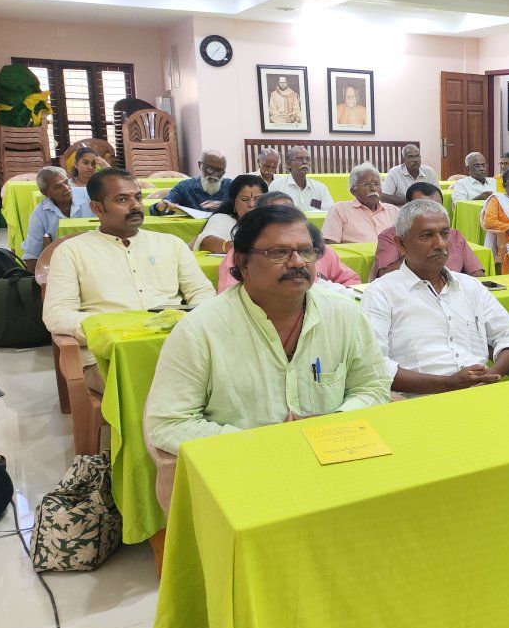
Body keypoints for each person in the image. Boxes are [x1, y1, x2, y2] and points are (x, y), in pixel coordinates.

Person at [145, 205, 391, 454]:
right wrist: (262, 442)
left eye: (306, 251)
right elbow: (168, 424)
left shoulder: (344, 313)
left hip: (335, 453)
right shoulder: (199, 329)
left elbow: (373, 387)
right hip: (243, 463)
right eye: (278, 253)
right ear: (243, 263)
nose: (297, 262)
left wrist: (332, 423)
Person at [41, 168, 215, 389]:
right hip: (109, 356)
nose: (135, 206)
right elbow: (57, 315)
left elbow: (202, 292)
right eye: (122, 199)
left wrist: (184, 322)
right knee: (156, 386)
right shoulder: (71, 251)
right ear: (97, 208)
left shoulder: (171, 244)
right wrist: (115, 329)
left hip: (178, 344)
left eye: (138, 198)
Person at [360, 199, 509, 395]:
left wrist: (488, 377)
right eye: (427, 235)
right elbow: (373, 364)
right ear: (402, 244)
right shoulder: (381, 293)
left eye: (445, 234)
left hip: (480, 394)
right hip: (419, 401)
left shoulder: (471, 287)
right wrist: (449, 384)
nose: (440, 244)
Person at [218, 192, 360, 292]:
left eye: (291, 213)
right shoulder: (241, 255)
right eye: (279, 252)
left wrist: (334, 298)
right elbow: (230, 296)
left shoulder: (318, 249)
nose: (298, 263)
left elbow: (352, 283)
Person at [374, 183, 484, 278]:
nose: (440, 244)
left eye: (437, 208)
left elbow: (477, 273)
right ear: (407, 207)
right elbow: (385, 276)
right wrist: (414, 253)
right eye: (423, 209)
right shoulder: (391, 235)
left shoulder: (454, 234)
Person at [21, 166, 93, 271]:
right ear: (45, 193)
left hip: (94, 258)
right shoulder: (40, 213)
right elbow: (32, 254)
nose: (67, 188)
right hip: (63, 265)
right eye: (58, 187)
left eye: (67, 182)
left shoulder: (90, 197)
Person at [322, 162, 398, 243]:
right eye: (366, 184)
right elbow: (330, 244)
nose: (373, 188)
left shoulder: (394, 211)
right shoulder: (340, 210)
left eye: (376, 184)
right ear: (353, 191)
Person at [192, 174, 268, 253]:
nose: (251, 205)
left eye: (258, 199)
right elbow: (205, 243)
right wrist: (234, 246)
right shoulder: (222, 219)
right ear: (233, 203)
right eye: (245, 199)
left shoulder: (271, 219)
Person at [150, 149, 231, 214]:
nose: (215, 175)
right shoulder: (185, 187)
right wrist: (160, 206)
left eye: (220, 171)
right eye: (210, 169)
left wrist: (225, 206)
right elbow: (155, 210)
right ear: (200, 165)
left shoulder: (231, 187)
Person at [269, 146, 335, 211]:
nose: (304, 162)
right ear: (288, 164)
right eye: (299, 159)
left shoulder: (320, 188)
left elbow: (330, 212)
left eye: (307, 159)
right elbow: (271, 212)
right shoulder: (277, 186)